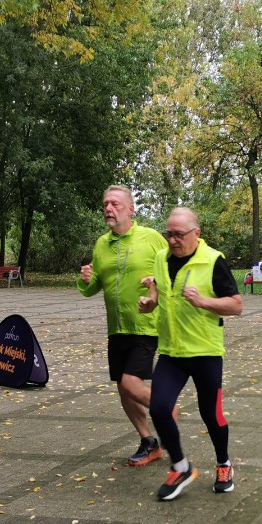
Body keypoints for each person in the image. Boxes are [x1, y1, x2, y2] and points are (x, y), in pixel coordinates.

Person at [138, 207, 243, 501]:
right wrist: (150, 303)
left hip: (206, 352)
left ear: (196, 234)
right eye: (168, 233)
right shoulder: (161, 259)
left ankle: (224, 464)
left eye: (179, 234)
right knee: (159, 408)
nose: (172, 240)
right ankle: (181, 467)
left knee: (212, 414)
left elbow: (236, 305)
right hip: (172, 351)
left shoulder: (213, 261)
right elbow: (161, 291)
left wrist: (203, 301)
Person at [78, 185, 169, 467]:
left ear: (130, 209)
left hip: (145, 324)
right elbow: (93, 287)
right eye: (106, 204)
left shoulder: (151, 238)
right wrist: (85, 278)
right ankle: (149, 442)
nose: (109, 209)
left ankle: (166, 410)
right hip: (116, 328)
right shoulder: (101, 244)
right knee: (123, 388)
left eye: (115, 204)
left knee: (131, 383)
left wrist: (156, 286)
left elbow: (172, 270)